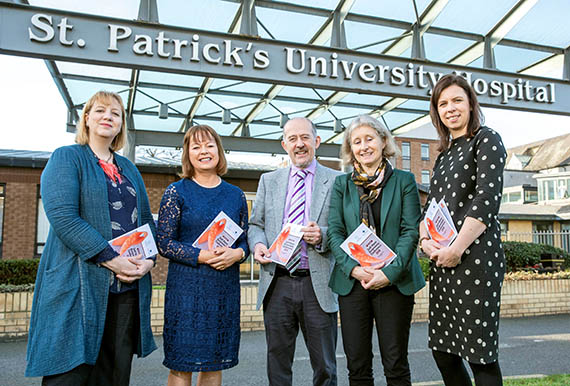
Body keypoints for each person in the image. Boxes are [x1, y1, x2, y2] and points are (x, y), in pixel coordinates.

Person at [25, 91, 157, 385]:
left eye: (115, 113)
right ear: (86, 118)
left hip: (125, 291)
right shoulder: (67, 157)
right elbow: (63, 217)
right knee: (70, 374)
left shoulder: (129, 168)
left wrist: (148, 260)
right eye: (100, 110)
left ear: (122, 125)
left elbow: (146, 221)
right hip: (79, 284)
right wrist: (112, 260)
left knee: (114, 374)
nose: (108, 116)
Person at [419, 73, 506, 386]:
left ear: (471, 103)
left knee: (478, 354)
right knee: (443, 351)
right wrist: (425, 240)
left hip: (475, 260)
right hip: (443, 262)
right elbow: (431, 208)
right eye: (442, 103)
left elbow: (487, 199)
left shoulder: (487, 139)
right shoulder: (442, 154)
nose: (450, 108)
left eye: (457, 100)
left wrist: (457, 248)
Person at [327, 115, 425, 386]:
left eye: (369, 139)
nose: (363, 146)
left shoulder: (404, 180)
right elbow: (335, 232)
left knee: (395, 363)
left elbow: (410, 231)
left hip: (393, 282)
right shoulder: (342, 185)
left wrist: (389, 273)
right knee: (357, 365)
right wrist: (353, 269)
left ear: (383, 141)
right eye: (356, 142)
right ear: (350, 149)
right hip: (353, 282)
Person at [248, 117, 341, 386]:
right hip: (277, 282)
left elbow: (346, 228)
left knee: (324, 365)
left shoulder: (337, 181)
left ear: (317, 141)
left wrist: (323, 234)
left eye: (305, 137)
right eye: (292, 139)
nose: (299, 144)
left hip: (318, 283)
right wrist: (258, 244)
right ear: (284, 144)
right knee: (277, 363)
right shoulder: (269, 180)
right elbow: (256, 224)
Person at [157, 124, 249, 386]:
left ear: (218, 151)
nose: (204, 151)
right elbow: (164, 242)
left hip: (222, 288)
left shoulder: (235, 195)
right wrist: (202, 256)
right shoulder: (176, 191)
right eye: (196, 147)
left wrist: (238, 254)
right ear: (188, 154)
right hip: (186, 289)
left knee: (213, 363)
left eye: (209, 145)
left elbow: (245, 240)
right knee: (181, 364)